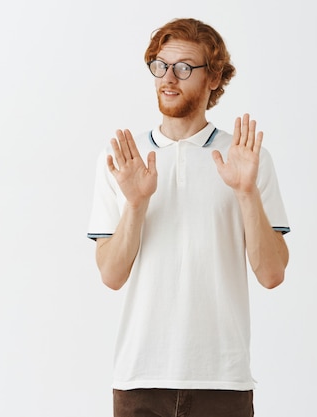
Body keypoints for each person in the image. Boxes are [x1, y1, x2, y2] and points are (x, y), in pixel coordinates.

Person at [87, 17, 290, 417]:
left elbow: (272, 274)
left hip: (223, 381)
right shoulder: (122, 162)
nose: (169, 78)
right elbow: (111, 276)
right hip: (140, 381)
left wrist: (245, 191)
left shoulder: (246, 159)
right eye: (160, 65)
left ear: (214, 78)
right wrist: (136, 203)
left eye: (184, 68)